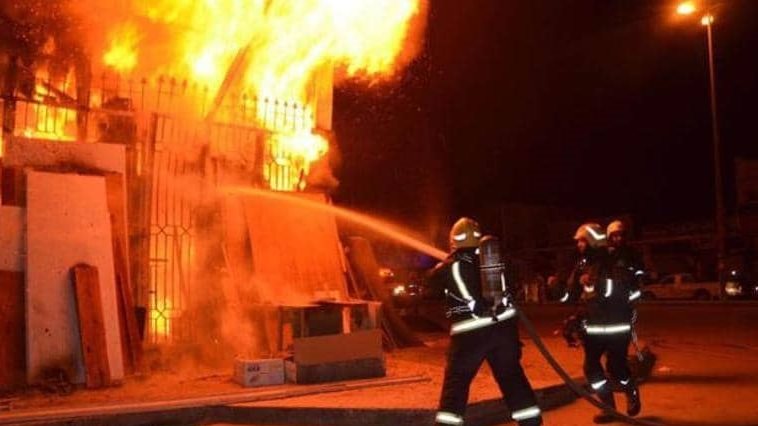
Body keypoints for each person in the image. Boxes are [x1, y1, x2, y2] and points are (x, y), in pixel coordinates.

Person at [429, 217, 542, 426]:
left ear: (453, 241)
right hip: (504, 332)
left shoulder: (451, 266)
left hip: (470, 336)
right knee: (512, 379)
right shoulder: (493, 261)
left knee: (456, 385)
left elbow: (431, 287)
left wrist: (440, 267)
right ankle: (531, 422)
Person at [562, 222, 641, 423]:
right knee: (591, 368)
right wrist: (561, 285)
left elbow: (620, 290)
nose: (579, 245)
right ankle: (608, 408)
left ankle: (630, 389)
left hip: (616, 326)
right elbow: (571, 295)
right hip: (594, 327)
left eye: (582, 241)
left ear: (591, 241)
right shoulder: (583, 264)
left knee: (616, 367)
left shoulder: (614, 260)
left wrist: (594, 282)